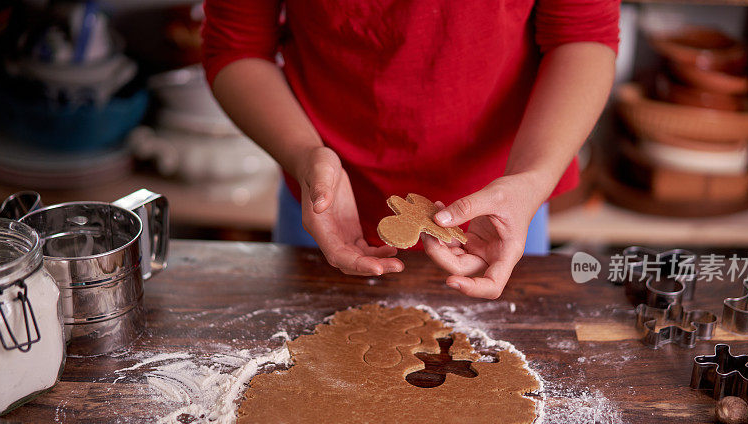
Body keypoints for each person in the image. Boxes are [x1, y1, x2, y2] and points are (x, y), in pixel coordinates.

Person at [202, 1, 619, 299]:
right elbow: (237, 46)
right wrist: (303, 154)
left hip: (507, 209)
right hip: (324, 205)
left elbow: (582, 34)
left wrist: (532, 179)